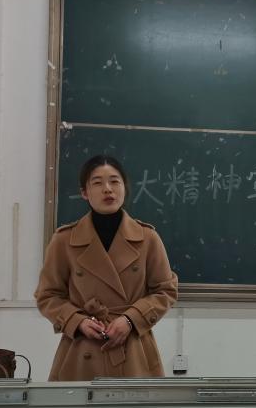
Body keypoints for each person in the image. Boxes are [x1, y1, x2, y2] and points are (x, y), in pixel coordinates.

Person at [35, 155, 178, 381]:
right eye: (97, 183)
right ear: (84, 192)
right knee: (79, 404)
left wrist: (131, 320)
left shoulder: (147, 238)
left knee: (134, 404)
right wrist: (77, 322)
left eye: (114, 181)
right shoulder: (64, 240)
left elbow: (165, 291)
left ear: (124, 188)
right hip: (82, 349)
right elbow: (47, 295)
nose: (108, 189)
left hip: (133, 348)